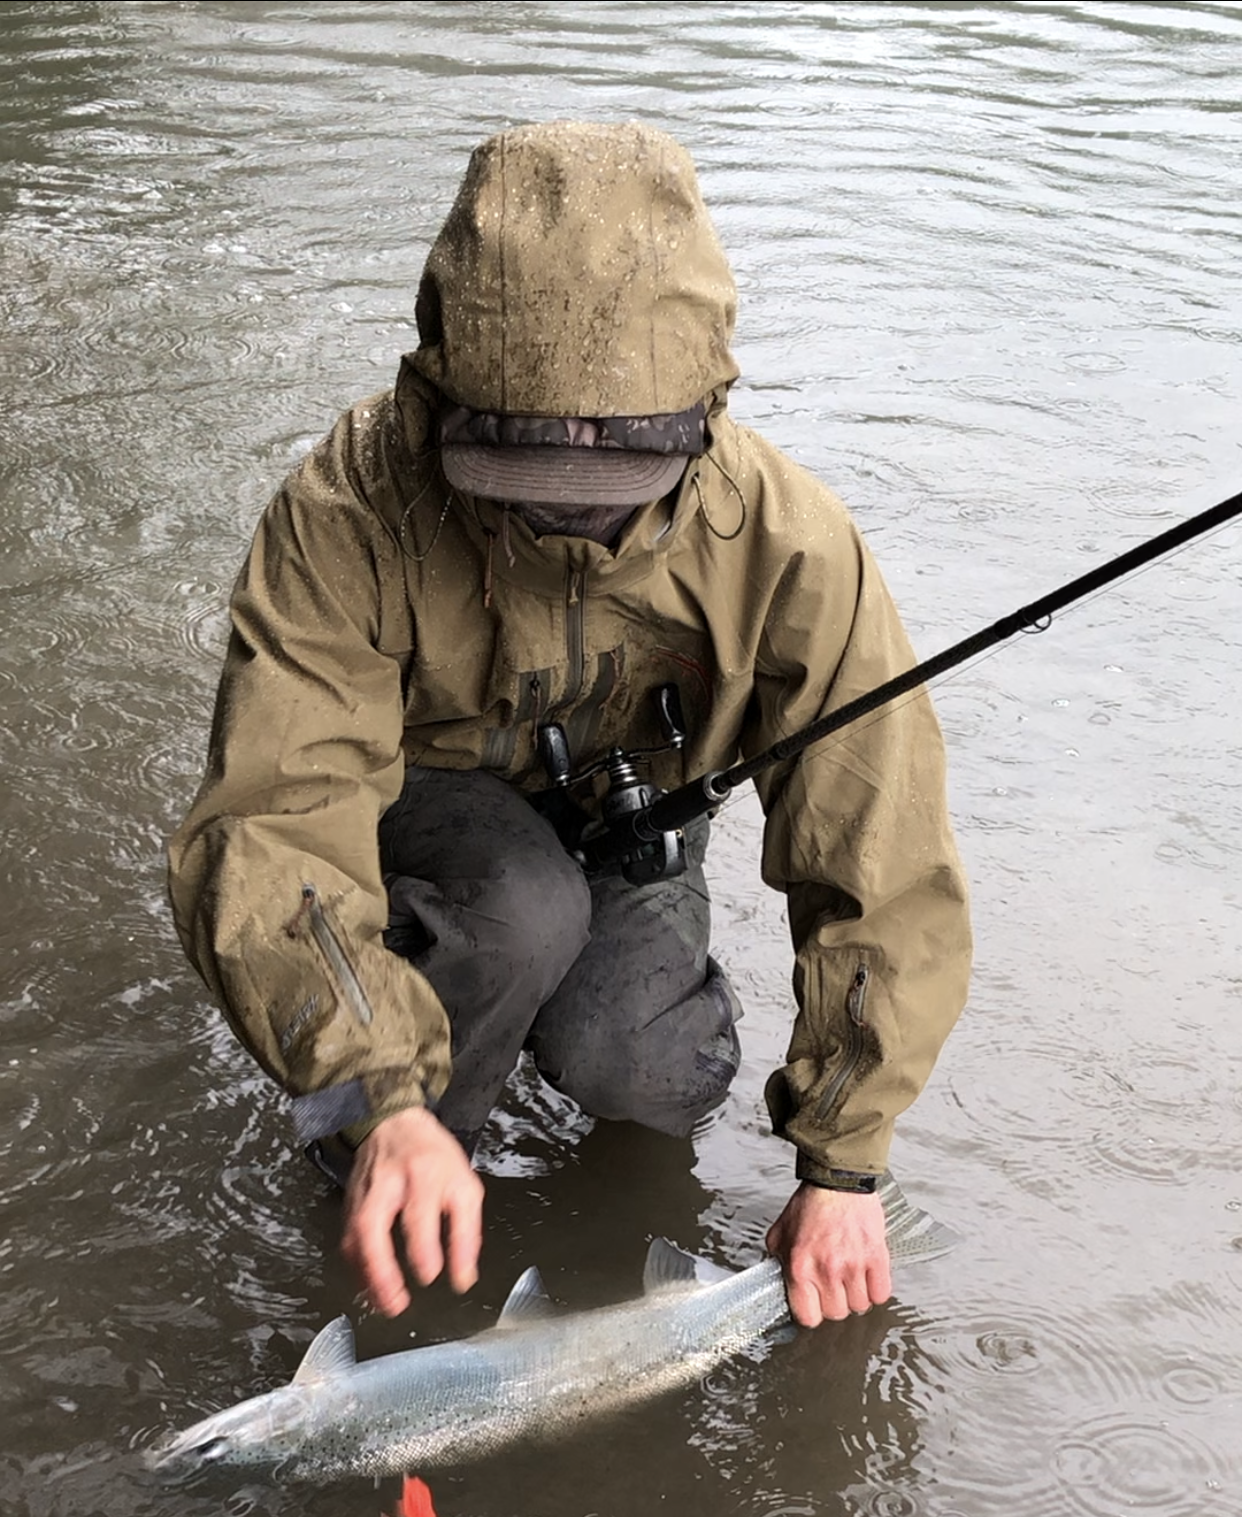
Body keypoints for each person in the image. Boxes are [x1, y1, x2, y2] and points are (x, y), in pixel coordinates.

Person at [168, 120, 970, 1329]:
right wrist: (375, 1096)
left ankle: (542, 1038)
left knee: (646, 1067)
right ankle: (394, 1147)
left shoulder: (790, 545)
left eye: (614, 494)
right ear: (442, 397)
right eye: (524, 486)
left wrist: (844, 1166)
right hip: (427, 809)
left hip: (635, 813)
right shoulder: (348, 512)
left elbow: (882, 854)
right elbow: (276, 821)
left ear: (702, 415)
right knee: (518, 908)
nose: (569, 523)